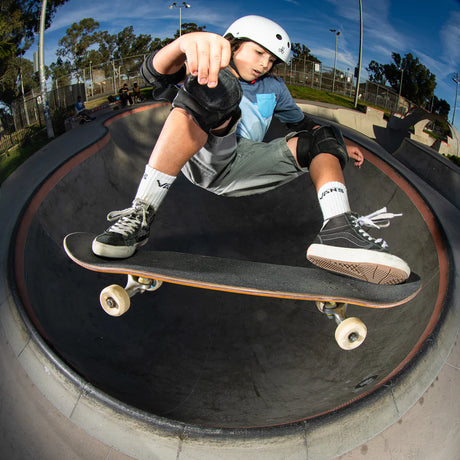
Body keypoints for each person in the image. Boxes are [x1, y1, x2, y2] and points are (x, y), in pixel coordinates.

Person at [92, 15, 410, 285]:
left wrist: (339, 143)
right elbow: (154, 74)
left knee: (323, 136)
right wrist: (182, 44)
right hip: (203, 152)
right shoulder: (208, 67)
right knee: (217, 90)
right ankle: (140, 214)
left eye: (271, 60)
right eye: (259, 53)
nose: (264, 64)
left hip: (245, 165)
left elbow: (303, 123)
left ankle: (339, 229)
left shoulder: (275, 88)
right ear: (233, 44)